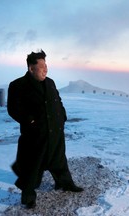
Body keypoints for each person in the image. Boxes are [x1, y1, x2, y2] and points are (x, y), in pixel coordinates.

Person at [7, 49, 83, 209]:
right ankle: (28, 197)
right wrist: (29, 120)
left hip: (55, 132)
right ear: (31, 68)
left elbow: (58, 101)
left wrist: (62, 116)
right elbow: (13, 108)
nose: (45, 70)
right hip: (35, 135)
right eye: (41, 67)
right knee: (32, 166)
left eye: (46, 66)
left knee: (59, 160)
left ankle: (65, 184)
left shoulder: (50, 82)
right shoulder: (17, 85)